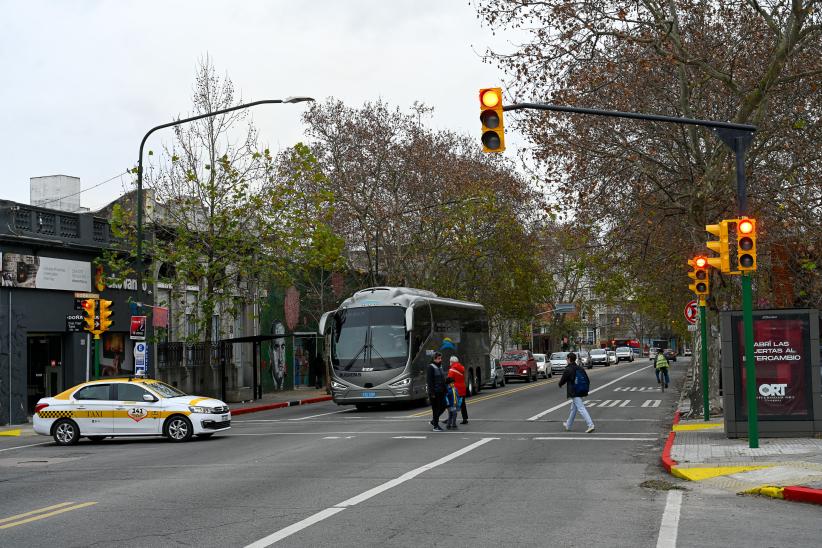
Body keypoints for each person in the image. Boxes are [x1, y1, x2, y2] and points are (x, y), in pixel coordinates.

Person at [558, 352, 595, 433]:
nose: (566, 360)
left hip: (574, 391)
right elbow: (587, 380)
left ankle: (590, 424)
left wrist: (560, 384)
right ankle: (568, 425)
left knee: (581, 408)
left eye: (567, 358)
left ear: (569, 359)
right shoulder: (580, 368)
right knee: (574, 409)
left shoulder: (568, 369)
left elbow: (563, 380)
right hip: (580, 390)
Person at [426, 352, 446, 431]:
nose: (440, 360)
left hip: (441, 391)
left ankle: (434, 421)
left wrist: (445, 389)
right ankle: (436, 426)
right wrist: (432, 393)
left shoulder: (440, 366)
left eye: (441, 358)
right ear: (434, 359)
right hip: (435, 392)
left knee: (443, 406)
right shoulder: (430, 367)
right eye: (438, 359)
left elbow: (442, 379)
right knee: (436, 409)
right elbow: (430, 381)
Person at [446, 355, 469, 424]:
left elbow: (449, 380)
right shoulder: (462, 368)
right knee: (462, 404)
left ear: (452, 362)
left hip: (455, 389)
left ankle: (450, 419)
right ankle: (465, 418)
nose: (449, 363)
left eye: (450, 361)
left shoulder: (452, 370)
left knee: (452, 404)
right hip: (462, 387)